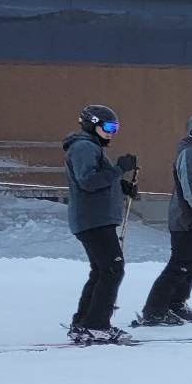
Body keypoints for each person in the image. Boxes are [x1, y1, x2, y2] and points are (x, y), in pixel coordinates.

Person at [62, 103, 139, 344]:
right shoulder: (84, 147)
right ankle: (97, 325)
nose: (111, 132)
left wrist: (121, 186)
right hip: (94, 220)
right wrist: (118, 171)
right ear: (91, 124)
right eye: (107, 126)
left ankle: (83, 323)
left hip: (94, 219)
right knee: (112, 270)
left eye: (115, 128)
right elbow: (88, 182)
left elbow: (96, 181)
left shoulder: (90, 146)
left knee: (101, 271)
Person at [136, 114, 192, 326]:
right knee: (181, 264)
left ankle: (176, 303)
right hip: (187, 219)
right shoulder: (191, 153)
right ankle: (155, 309)